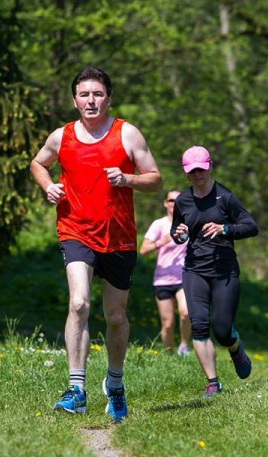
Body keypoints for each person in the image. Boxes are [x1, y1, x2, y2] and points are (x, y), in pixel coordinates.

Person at [30, 66, 162, 422]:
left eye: (98, 94)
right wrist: (48, 186)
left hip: (119, 237)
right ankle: (76, 390)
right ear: (75, 100)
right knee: (79, 303)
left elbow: (155, 179)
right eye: (84, 94)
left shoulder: (127, 133)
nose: (91, 100)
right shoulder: (61, 136)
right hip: (75, 230)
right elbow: (38, 163)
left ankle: (115, 385)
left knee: (115, 317)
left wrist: (128, 179)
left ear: (109, 99)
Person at [170, 145, 258, 398]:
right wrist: (179, 234)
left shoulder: (225, 197)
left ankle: (235, 348)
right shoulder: (183, 201)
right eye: (192, 171)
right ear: (186, 173)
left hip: (224, 271)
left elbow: (251, 226)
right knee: (198, 325)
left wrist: (225, 229)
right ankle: (212, 382)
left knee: (222, 330)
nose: (197, 174)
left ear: (209, 168)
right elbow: (177, 231)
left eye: (201, 169)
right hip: (194, 269)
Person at [139, 190, 191, 357]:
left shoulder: (188, 223)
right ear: (165, 203)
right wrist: (164, 240)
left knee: (186, 312)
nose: (174, 204)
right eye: (171, 200)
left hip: (184, 277)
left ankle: (184, 346)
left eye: (178, 200)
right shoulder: (159, 224)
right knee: (167, 324)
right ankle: (169, 356)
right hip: (162, 279)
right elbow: (143, 250)